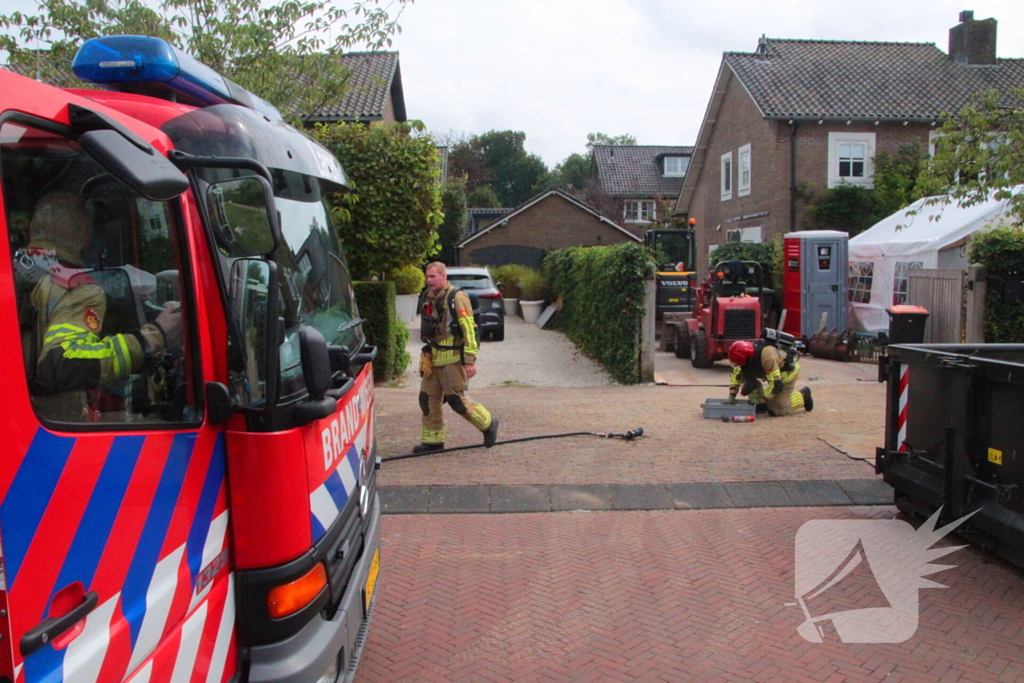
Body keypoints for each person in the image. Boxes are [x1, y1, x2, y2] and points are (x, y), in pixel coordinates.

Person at [21, 193, 182, 415]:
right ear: (85, 234)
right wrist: (154, 336)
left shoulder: (12, 272)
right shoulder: (78, 289)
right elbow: (62, 363)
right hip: (50, 428)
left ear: (33, 227)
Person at [413, 261, 498, 454]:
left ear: (444, 277)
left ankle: (488, 423)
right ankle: (433, 442)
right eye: (427, 276)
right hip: (433, 359)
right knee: (427, 399)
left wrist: (470, 360)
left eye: (433, 276)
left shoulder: (457, 297)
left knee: (457, 401)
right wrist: (426, 351)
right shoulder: (428, 297)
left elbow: (470, 329)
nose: (429, 280)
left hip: (453, 359)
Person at [725, 339, 813, 416]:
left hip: (786, 375)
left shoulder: (767, 357)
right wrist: (732, 396)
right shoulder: (747, 356)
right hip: (771, 375)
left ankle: (803, 396)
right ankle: (763, 405)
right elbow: (736, 375)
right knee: (749, 381)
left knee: (776, 409)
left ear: (748, 359)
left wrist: (761, 400)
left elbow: (776, 385)